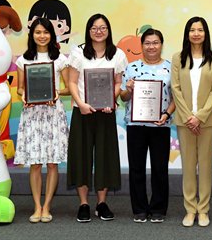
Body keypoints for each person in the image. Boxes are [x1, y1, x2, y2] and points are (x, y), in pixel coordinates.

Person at [66, 14, 128, 223]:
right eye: (94, 28)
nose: (98, 31)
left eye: (103, 28)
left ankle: (101, 203)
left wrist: (112, 99)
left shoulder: (117, 54)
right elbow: (72, 82)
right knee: (81, 157)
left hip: (106, 113)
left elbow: (118, 82)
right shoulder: (78, 52)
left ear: (108, 30)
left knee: (105, 157)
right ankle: (83, 204)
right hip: (82, 112)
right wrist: (81, 104)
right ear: (88, 31)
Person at [14, 18, 70, 223]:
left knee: (52, 163)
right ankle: (37, 206)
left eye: (46, 32)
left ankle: (47, 206)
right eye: (38, 32)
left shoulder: (60, 59)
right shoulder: (23, 60)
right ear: (32, 35)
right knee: (35, 164)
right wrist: (23, 94)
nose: (42, 36)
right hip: (32, 114)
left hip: (53, 113)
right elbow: (20, 88)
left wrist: (56, 92)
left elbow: (68, 87)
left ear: (51, 35)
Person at [120, 29, 176, 224]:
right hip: (136, 125)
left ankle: (158, 208)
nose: (151, 46)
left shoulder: (171, 68)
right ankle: (140, 209)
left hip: (161, 125)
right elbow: (123, 97)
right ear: (142, 45)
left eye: (155, 43)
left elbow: (176, 98)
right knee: (136, 168)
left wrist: (166, 114)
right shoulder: (131, 68)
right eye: (147, 43)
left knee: (160, 168)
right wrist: (128, 89)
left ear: (161, 45)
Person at [171, 17, 212, 228]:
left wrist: (199, 116)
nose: (196, 34)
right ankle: (190, 209)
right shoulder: (178, 58)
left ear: (205, 33)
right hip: (185, 121)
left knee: (206, 166)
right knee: (189, 167)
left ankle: (203, 210)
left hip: (207, 121)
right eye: (192, 30)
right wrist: (188, 117)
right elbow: (175, 89)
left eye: (200, 30)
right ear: (187, 34)